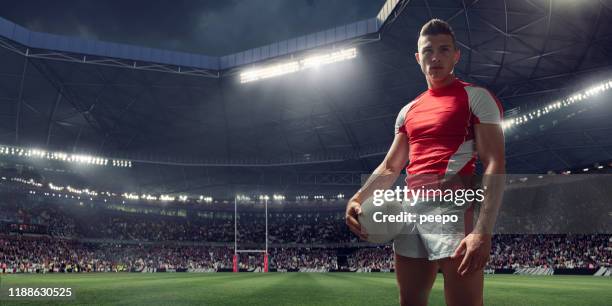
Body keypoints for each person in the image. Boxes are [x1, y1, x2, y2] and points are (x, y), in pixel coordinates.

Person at [346, 19, 506, 306]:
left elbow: (495, 163)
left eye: (444, 50)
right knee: (410, 301)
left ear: (456, 55)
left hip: (452, 211)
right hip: (409, 212)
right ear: (419, 58)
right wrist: (358, 198)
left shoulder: (476, 98)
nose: (436, 57)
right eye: (428, 50)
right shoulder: (407, 111)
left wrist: (483, 230)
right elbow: (390, 167)